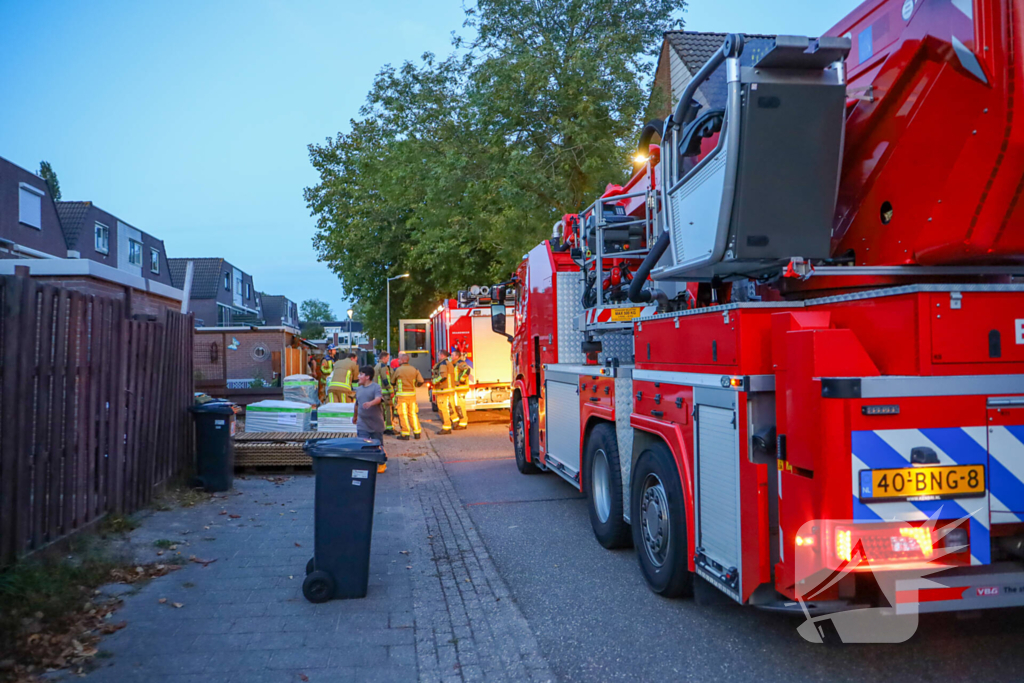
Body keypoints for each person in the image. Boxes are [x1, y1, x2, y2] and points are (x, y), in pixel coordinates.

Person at [393, 353, 425, 440]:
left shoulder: (398, 370)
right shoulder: (414, 369)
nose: (398, 361)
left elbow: (392, 382)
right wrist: (415, 385)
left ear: (403, 360)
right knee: (413, 414)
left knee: (403, 414)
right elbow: (421, 381)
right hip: (412, 396)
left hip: (402, 397)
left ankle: (405, 434)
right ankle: (417, 432)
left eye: (399, 359)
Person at [352, 365, 386, 443]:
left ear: (367, 377)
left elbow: (378, 399)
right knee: (363, 445)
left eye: (361, 374)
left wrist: (370, 403)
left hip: (376, 424)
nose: (358, 376)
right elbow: (357, 404)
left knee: (377, 446)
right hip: (362, 424)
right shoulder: (359, 389)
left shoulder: (376, 387)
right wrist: (355, 416)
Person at [431, 349, 455, 435]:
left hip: (443, 390)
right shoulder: (448, 363)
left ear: (442, 355)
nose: (438, 357)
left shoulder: (443, 364)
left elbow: (443, 376)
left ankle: (446, 427)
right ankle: (449, 425)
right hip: (448, 389)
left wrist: (434, 381)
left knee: (443, 409)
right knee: (447, 408)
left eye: (438, 355)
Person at [374, 352, 395, 435]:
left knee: (381, 411)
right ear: (383, 358)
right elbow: (385, 379)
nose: (388, 360)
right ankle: (389, 428)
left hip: (378, 392)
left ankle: (382, 427)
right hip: (385, 392)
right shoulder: (383, 366)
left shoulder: (376, 366)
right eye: (387, 358)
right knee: (388, 410)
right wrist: (391, 390)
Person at [450, 348, 472, 430]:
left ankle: (463, 423)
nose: (451, 356)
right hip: (457, 388)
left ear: (457, 356)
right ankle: (459, 421)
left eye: (452, 355)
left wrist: (461, 379)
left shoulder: (460, 363)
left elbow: (467, 370)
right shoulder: (454, 363)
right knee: (457, 405)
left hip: (461, 387)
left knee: (461, 405)